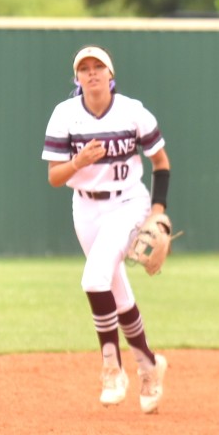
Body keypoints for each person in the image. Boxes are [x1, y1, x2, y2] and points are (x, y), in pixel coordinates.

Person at [41, 46, 172, 413]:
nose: (92, 73)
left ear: (110, 75)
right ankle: (149, 365)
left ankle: (112, 367)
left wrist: (157, 212)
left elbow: (160, 162)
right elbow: (54, 177)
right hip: (84, 206)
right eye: (84, 68)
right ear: (77, 78)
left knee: (94, 279)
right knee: (116, 290)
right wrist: (78, 161)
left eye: (99, 67)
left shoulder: (132, 111)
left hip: (128, 202)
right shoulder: (65, 115)